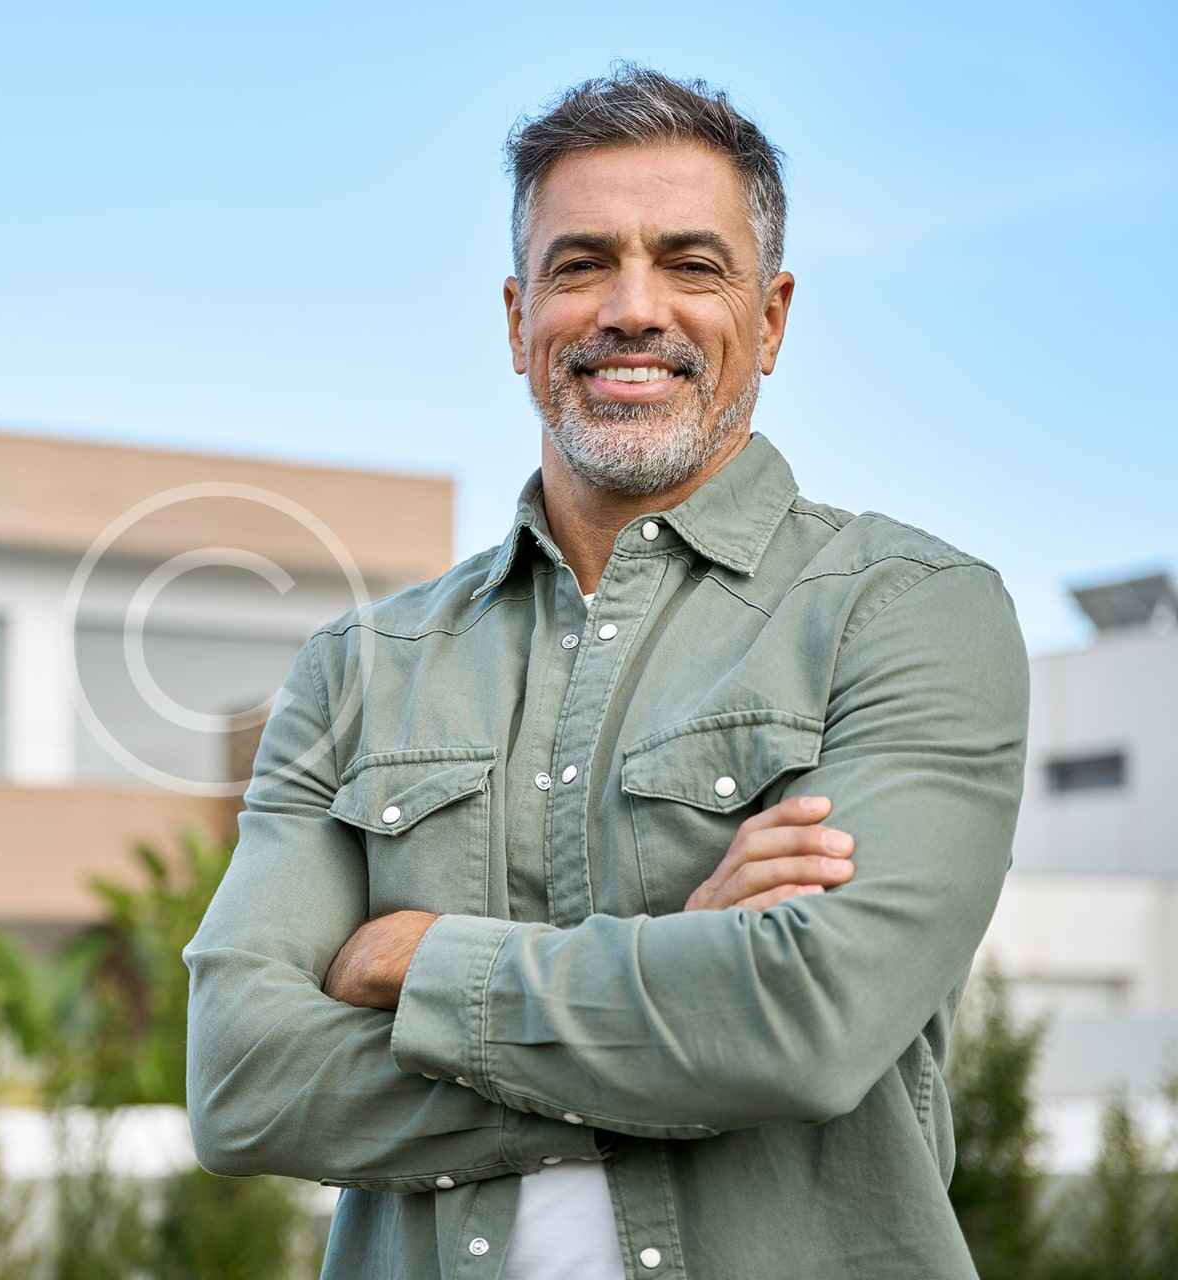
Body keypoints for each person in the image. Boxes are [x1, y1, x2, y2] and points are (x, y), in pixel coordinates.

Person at [182, 63, 1029, 1280]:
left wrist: (420, 958)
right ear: (519, 315)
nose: (634, 309)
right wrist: (682, 984)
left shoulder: (906, 612)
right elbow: (244, 1079)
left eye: (692, 265)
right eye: (583, 265)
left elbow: (806, 1024)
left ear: (773, 317)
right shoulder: (361, 667)